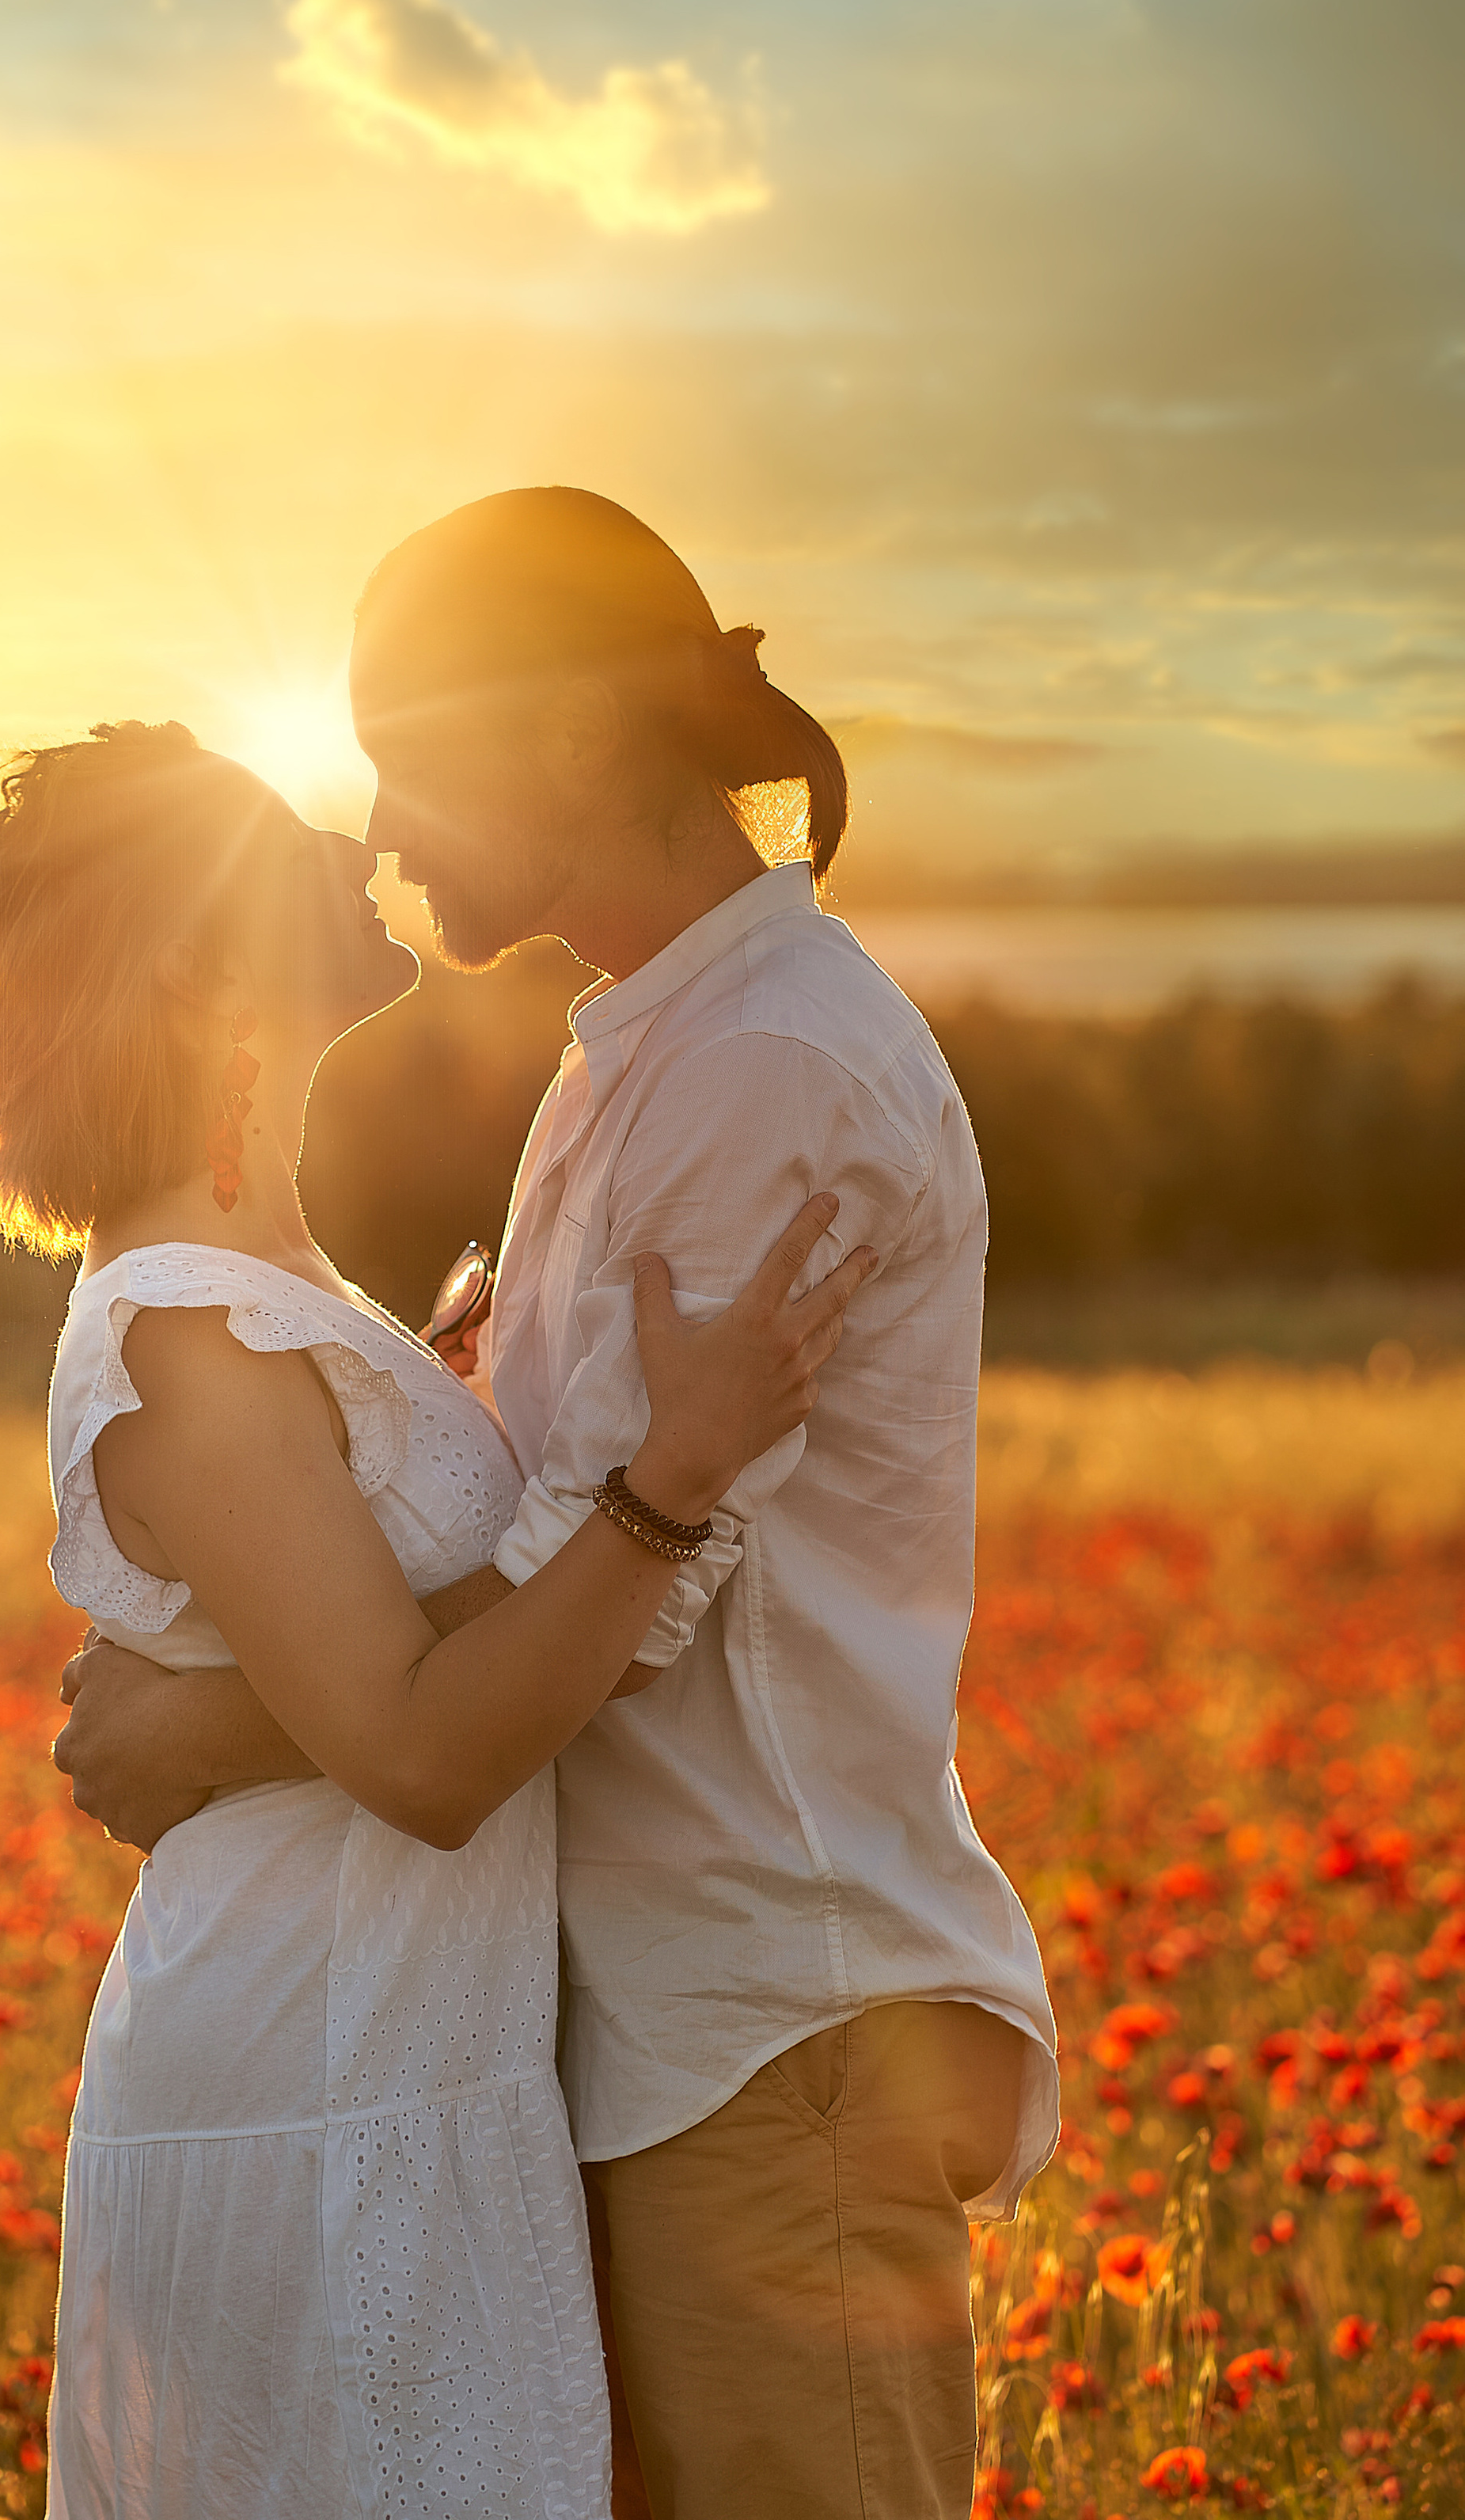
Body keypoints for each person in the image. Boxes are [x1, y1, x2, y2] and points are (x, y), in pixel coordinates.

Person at [55, 488, 1061, 2520]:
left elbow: (612, 1597)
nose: (381, 829)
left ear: (578, 739)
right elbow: (565, 1533)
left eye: (413, 756)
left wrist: (200, 1727)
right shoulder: (637, 1059)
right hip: (641, 2022)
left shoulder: (761, 1067)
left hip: (763, 2019)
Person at [0, 716, 875, 2520]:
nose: (349, 844)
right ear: (193, 962)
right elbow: (415, 1754)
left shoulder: (267, 1294)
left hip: (402, 2055)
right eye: (281, 840)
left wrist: (453, 1401)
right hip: (318, 2078)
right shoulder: (188, 1327)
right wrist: (676, 1468)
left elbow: (355, 1626)